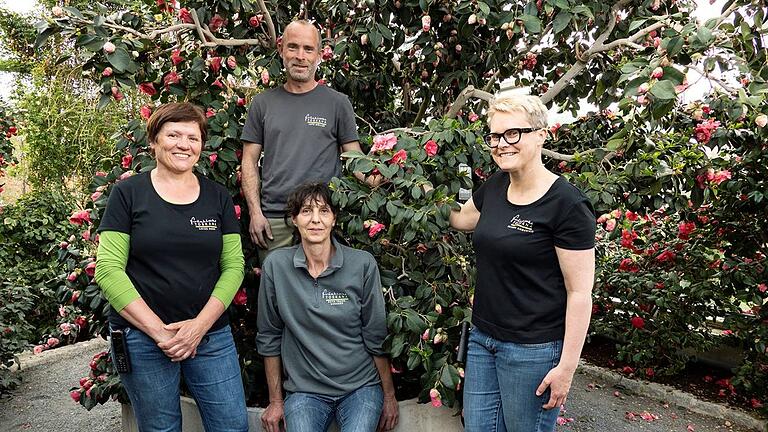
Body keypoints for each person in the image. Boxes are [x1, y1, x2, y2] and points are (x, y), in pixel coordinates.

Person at [94, 103, 248, 432]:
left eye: (193, 137)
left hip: (210, 336)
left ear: (202, 146)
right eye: (173, 134)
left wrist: (198, 328)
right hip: (142, 337)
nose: (183, 144)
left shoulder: (217, 198)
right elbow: (108, 269)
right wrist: (160, 332)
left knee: (232, 426)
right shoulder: (128, 194)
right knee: (160, 429)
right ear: (154, 141)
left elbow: (234, 266)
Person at [449, 95, 596, 432]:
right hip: (483, 338)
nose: (501, 145)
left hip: (533, 350)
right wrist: (409, 184)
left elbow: (579, 293)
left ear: (541, 134)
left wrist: (567, 368)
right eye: (495, 136)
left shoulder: (567, 205)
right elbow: (461, 219)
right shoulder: (496, 185)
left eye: (513, 133)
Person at [256, 182, 399, 432]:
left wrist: (389, 396)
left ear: (334, 219)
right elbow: (269, 336)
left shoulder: (362, 264)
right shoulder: (276, 266)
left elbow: (376, 335)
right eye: (306, 211)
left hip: (360, 387)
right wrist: (276, 401)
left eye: (324, 211)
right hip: (304, 391)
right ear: (294, 219)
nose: (315, 220)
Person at [241, 20, 375, 263]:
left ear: (319, 54)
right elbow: (248, 161)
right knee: (278, 296)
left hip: (321, 218)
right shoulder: (262, 103)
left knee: (321, 295)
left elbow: (354, 159)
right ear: (281, 50)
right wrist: (255, 212)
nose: (300, 56)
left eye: (308, 49)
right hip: (275, 221)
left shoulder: (338, 103)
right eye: (293, 47)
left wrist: (384, 174)